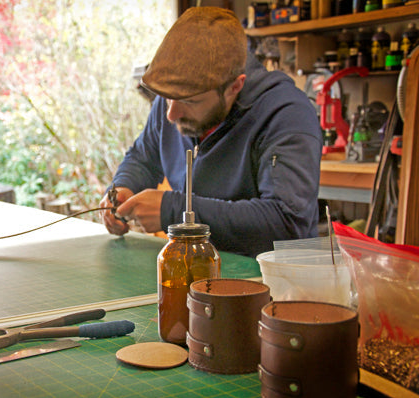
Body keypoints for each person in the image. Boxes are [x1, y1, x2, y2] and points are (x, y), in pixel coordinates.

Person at [99, 7, 323, 258]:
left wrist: (175, 212)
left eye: (190, 101)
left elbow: (287, 222)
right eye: (166, 98)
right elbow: (143, 156)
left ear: (234, 87)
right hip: (197, 265)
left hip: (267, 280)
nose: (171, 114)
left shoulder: (286, 114)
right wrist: (122, 188)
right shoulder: (174, 98)